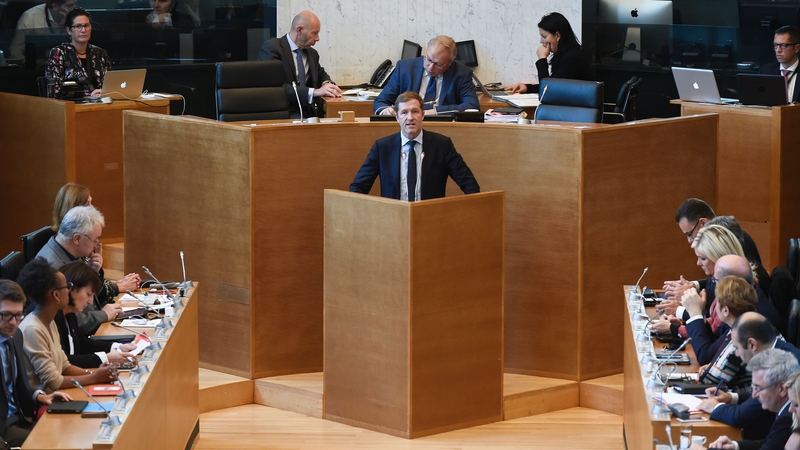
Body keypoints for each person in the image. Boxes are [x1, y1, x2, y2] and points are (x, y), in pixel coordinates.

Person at [350, 91, 480, 201]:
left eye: (415, 111)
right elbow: (358, 187)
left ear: (423, 115)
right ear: (397, 117)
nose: (410, 117)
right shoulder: (382, 147)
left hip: (430, 218)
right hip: (393, 217)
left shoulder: (442, 145)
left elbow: (470, 185)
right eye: (404, 112)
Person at [15, 259, 116, 393]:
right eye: (66, 287)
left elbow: (64, 365)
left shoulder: (49, 321)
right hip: (43, 405)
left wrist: (95, 374)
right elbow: (54, 381)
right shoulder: (32, 328)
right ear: (56, 295)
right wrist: (94, 377)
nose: (69, 291)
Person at [697, 312, 800, 440]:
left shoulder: (781, 366)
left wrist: (714, 407)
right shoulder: (782, 349)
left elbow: (741, 416)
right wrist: (732, 397)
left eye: (737, 347)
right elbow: (756, 397)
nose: (736, 354)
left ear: (752, 344)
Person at [0, 280, 71, 447]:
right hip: (4, 429)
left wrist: (39, 396)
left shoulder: (15, 336)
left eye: (18, 315)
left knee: (68, 431)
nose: (14, 322)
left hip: (20, 417)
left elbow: (15, 386)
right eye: (6, 315)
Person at [36, 206, 125, 335]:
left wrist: (93, 273)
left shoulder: (72, 254)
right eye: (95, 240)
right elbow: (67, 321)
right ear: (77, 239)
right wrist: (103, 315)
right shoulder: (52, 270)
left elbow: (86, 297)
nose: (97, 245)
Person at [663, 199, 766, 301]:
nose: (689, 241)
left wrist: (688, 300)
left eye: (689, 234)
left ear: (703, 223)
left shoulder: (729, 240)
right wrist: (694, 285)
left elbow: (728, 292)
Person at [697, 348, 799, 450]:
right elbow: (769, 443)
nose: (754, 395)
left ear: (781, 388)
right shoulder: (784, 406)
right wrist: (735, 446)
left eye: (758, 388)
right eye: (753, 388)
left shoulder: (790, 416)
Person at [49, 183, 140, 289]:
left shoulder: (73, 241)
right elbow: (78, 295)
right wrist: (117, 287)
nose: (93, 208)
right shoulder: (63, 253)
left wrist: (113, 282)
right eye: (87, 204)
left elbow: (83, 283)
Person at [257, 10, 342, 118]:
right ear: (299, 30)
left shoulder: (312, 53)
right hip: (284, 111)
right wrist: (314, 92)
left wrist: (326, 84)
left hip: (311, 111)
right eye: (314, 33)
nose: (318, 38)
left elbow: (320, 73)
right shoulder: (272, 49)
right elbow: (275, 88)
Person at [683, 276, 758, 392]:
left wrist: (694, 313)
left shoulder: (741, 334)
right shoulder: (746, 323)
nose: (714, 307)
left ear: (726, 310)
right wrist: (712, 366)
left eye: (717, 302)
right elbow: (712, 350)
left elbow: (708, 382)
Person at [373, 35, 480, 115]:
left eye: (438, 64)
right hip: (407, 125)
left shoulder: (461, 73)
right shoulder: (405, 68)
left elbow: (472, 106)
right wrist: (385, 110)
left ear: (449, 63)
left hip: (443, 126)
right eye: (428, 59)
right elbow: (381, 101)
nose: (430, 67)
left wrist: (435, 112)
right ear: (425, 52)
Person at [56, 262, 136, 369]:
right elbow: (64, 361)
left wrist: (118, 347)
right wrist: (105, 358)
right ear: (71, 289)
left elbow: (83, 343)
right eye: (88, 294)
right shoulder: (53, 318)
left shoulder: (70, 314)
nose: (90, 301)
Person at [506, 12, 592, 94]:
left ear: (557, 36)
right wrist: (527, 88)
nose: (541, 41)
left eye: (544, 36)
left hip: (575, 109)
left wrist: (542, 59)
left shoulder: (574, 58)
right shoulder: (562, 55)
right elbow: (552, 85)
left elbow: (549, 90)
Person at [45, 8, 111, 99]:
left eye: (86, 25)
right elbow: (55, 91)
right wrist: (90, 95)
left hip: (101, 103)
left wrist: (105, 92)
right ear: (69, 30)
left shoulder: (101, 53)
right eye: (78, 26)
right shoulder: (59, 53)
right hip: (70, 105)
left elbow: (111, 85)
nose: (83, 30)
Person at [9, 0, 77, 61]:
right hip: (38, 68)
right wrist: (31, 65)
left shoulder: (75, 19)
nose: (75, 8)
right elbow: (15, 51)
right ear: (55, 6)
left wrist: (70, 24)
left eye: (75, 4)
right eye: (70, 6)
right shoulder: (30, 17)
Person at [759, 25, 800, 104]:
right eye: (775, 45)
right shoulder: (766, 70)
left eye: (783, 45)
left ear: (796, 48)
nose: (778, 50)